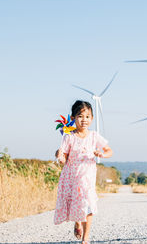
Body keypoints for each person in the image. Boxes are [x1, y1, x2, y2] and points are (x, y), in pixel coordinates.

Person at [54, 100, 112, 244]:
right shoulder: (69, 136)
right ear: (73, 118)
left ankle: (86, 238)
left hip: (87, 177)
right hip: (72, 176)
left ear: (92, 118)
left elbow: (109, 151)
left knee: (88, 203)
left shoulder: (94, 136)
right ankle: (78, 222)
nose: (84, 120)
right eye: (80, 116)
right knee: (77, 203)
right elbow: (64, 159)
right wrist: (59, 155)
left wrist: (102, 154)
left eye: (87, 116)